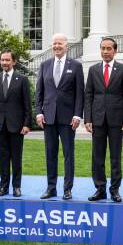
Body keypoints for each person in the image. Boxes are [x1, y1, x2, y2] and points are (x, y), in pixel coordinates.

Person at [36, 33, 84, 200]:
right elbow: (39, 92)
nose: (57, 46)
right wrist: (39, 112)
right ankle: (51, 188)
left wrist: (78, 115)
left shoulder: (76, 66)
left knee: (68, 154)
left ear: (66, 46)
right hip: (48, 117)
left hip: (68, 118)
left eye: (60, 44)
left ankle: (67, 189)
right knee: (50, 153)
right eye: (54, 43)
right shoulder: (45, 65)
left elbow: (80, 94)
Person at [84, 37, 123, 202]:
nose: (105, 51)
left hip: (116, 119)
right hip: (97, 119)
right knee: (97, 156)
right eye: (103, 48)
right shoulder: (93, 69)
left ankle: (115, 190)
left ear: (115, 50)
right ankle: (100, 189)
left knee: (115, 157)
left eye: (108, 48)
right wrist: (88, 118)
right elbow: (88, 95)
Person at [0, 49, 32, 197]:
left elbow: (27, 104)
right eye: (2, 60)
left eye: (7, 60)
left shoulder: (22, 79)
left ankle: (16, 187)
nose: (4, 63)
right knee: (3, 158)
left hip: (17, 126)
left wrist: (26, 124)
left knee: (16, 158)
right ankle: (3, 187)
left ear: (14, 62)